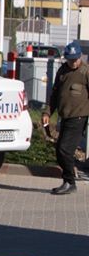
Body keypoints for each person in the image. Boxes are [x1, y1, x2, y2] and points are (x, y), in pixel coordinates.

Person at [43, 40, 89, 195]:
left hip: (78, 117)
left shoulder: (85, 72)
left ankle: (70, 182)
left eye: (75, 59)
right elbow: (55, 94)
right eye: (70, 59)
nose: (73, 62)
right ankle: (68, 181)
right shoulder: (62, 71)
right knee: (60, 151)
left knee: (64, 150)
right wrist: (47, 112)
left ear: (80, 57)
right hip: (65, 116)